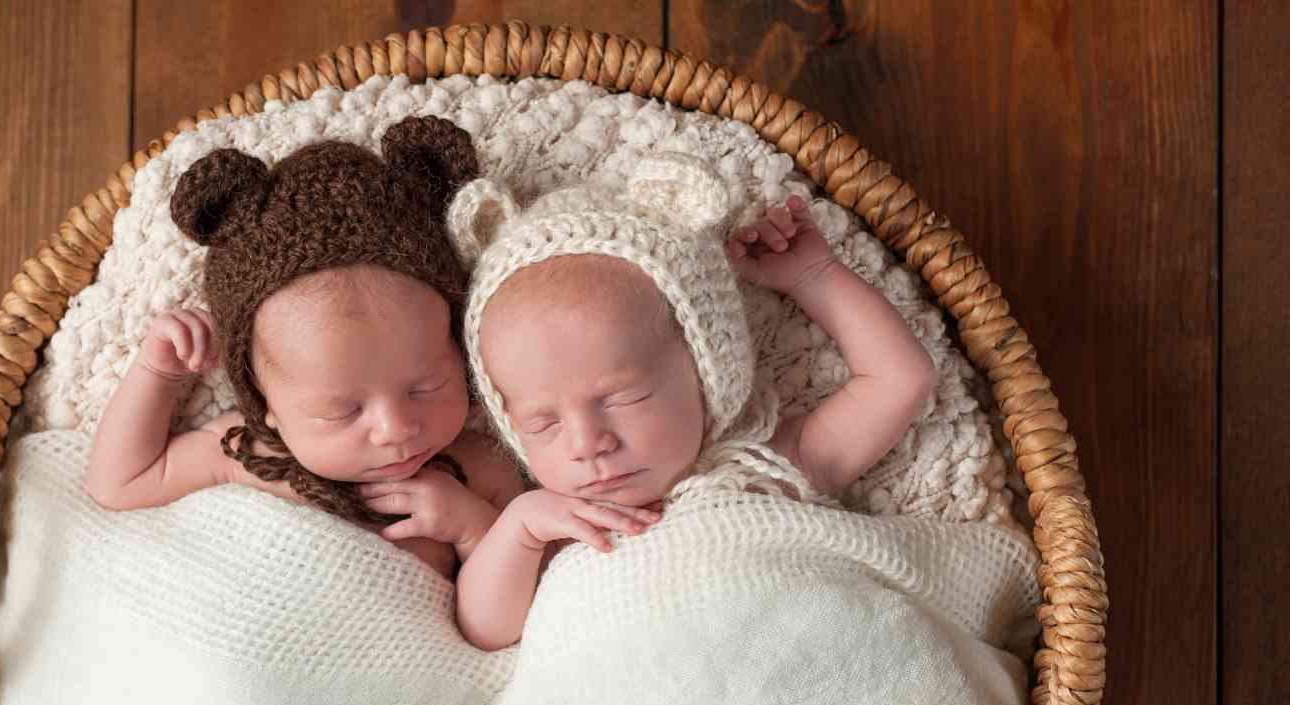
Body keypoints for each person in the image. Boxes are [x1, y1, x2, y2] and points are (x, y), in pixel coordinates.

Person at [449, 153, 937, 650]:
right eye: (541, 424)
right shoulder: (555, 531)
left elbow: (900, 379)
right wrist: (520, 528)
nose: (586, 442)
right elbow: (485, 633)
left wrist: (813, 276)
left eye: (624, 397)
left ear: (707, 374)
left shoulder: (766, 470)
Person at [85, 117, 524, 580]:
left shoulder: (479, 472)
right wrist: (157, 374)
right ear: (265, 402)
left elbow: (507, 624)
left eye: (427, 387)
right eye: (341, 411)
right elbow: (119, 484)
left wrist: (474, 532)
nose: (395, 429)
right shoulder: (248, 455)